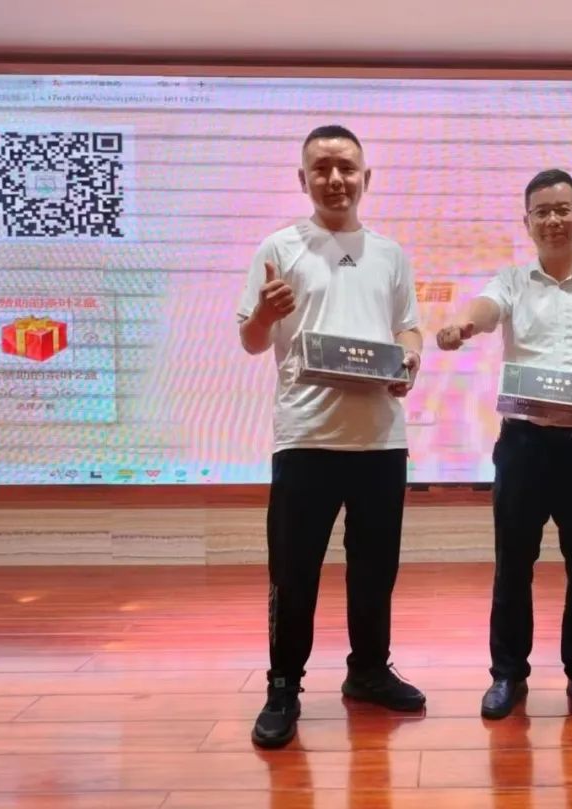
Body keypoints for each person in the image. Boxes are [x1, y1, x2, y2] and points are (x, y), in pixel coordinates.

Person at [237, 124, 426, 749]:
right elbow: (251, 339)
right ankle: (283, 686)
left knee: (376, 569)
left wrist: (410, 360)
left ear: (366, 178)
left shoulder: (390, 254)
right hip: (306, 438)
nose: (335, 179)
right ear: (303, 179)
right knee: (294, 571)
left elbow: (408, 329)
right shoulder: (280, 247)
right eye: (321, 168)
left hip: (380, 440)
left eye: (346, 167)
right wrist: (265, 313)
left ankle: (368, 671)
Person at [436, 169, 572, 723]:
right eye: (541, 212)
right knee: (513, 565)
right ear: (527, 222)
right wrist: (462, 325)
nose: (552, 220)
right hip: (523, 445)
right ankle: (507, 674)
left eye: (562, 209)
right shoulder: (511, 281)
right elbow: (484, 309)